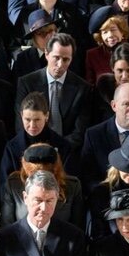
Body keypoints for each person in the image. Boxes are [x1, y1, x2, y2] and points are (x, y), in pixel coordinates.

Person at [14, 33, 92, 171]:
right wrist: (40, 151)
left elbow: (79, 131)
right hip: (32, 153)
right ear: (46, 54)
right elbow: (21, 124)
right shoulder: (27, 83)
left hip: (66, 156)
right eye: (56, 58)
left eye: (66, 59)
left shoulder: (82, 88)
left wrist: (57, 150)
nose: (60, 64)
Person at [0, 142, 83, 230]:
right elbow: (6, 226)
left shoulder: (72, 186)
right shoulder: (14, 184)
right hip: (22, 240)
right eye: (34, 172)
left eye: (47, 171)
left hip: (63, 240)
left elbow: (77, 228)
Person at [84, 8, 129, 86]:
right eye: (105, 32)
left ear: (122, 31)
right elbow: (90, 86)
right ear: (100, 37)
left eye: (113, 29)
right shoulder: (92, 55)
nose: (110, 35)